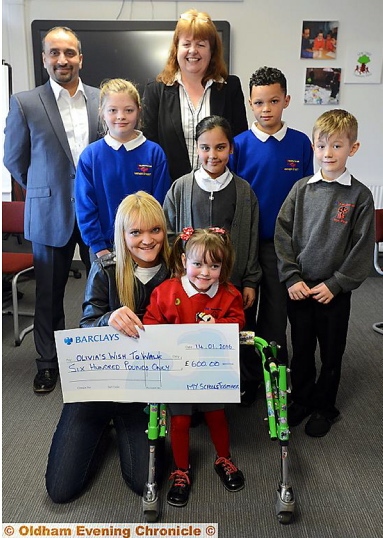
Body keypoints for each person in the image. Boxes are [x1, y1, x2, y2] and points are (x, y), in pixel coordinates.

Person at [45, 191, 170, 501]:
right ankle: (100, 430)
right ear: (122, 234)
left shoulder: (178, 270)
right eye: (136, 231)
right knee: (61, 489)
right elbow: (85, 326)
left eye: (154, 230)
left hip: (144, 389)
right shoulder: (106, 269)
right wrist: (108, 319)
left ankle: (118, 427)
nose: (147, 240)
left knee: (146, 482)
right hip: (98, 385)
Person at [3, 26, 100, 394]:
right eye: (55, 53)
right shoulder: (25, 102)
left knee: (101, 289)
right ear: (44, 58)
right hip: (49, 212)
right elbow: (14, 158)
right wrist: (42, 188)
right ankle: (47, 364)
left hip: (95, 214)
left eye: (70, 53)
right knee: (48, 295)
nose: (63, 60)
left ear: (80, 58)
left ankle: (97, 359)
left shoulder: (100, 98)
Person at [274, 109, 375, 437]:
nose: (328, 153)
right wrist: (291, 277)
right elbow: (282, 233)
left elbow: (361, 247)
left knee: (331, 352)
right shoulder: (301, 189)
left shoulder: (359, 196)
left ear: (353, 149)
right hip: (301, 288)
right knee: (301, 349)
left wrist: (337, 284)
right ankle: (302, 399)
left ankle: (324, 406)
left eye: (337, 146)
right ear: (313, 148)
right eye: (321, 146)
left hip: (334, 291)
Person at [164, 115, 262, 405]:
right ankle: (193, 394)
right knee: (192, 338)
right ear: (196, 148)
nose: (212, 155)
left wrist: (250, 281)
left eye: (220, 147)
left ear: (231, 149)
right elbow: (170, 233)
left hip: (231, 286)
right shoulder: (181, 187)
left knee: (230, 337)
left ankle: (232, 389)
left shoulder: (244, 192)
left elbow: (252, 239)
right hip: (191, 287)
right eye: (205, 147)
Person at [143, 227, 245, 507]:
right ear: (184, 260)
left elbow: (238, 321)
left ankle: (224, 457)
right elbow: (151, 322)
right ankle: (181, 470)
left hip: (213, 372)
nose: (205, 272)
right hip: (178, 373)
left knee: (217, 417)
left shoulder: (228, 294)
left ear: (223, 267)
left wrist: (220, 326)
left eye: (214, 265)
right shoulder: (167, 291)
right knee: (180, 422)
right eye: (198, 263)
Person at [230, 66, 314, 364]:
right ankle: (247, 374)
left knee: (276, 314)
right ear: (249, 104)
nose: (266, 109)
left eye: (274, 101)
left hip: (283, 247)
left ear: (286, 100)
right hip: (245, 245)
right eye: (259, 103)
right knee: (243, 310)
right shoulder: (238, 145)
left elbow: (307, 196)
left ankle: (275, 372)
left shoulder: (301, 142)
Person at [142, 8, 248, 182]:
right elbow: (150, 150)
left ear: (212, 50)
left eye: (201, 44)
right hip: (170, 192)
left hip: (220, 190)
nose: (193, 51)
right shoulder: (156, 91)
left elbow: (238, 143)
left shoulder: (230, 88)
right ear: (176, 49)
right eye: (186, 44)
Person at [75, 78, 170, 260]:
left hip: (146, 246)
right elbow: (85, 207)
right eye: (113, 110)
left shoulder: (154, 153)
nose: (121, 116)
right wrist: (99, 247)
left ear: (138, 112)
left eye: (129, 110)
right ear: (102, 113)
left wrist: (150, 241)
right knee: (106, 289)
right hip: (104, 249)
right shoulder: (91, 156)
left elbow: (161, 204)